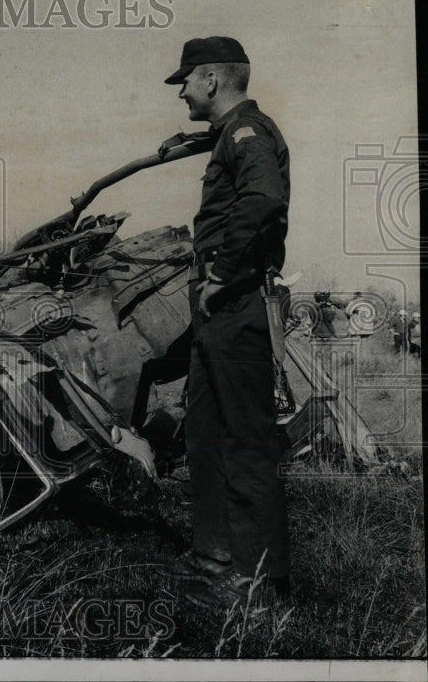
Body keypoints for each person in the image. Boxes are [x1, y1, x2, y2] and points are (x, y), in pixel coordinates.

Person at [163, 36, 291, 609]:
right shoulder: (231, 134)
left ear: (212, 78)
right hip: (217, 308)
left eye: (186, 80)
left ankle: (258, 584)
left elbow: (262, 201)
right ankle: (215, 556)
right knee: (206, 435)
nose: (183, 91)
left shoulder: (248, 134)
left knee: (245, 442)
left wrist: (221, 274)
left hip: (235, 302)